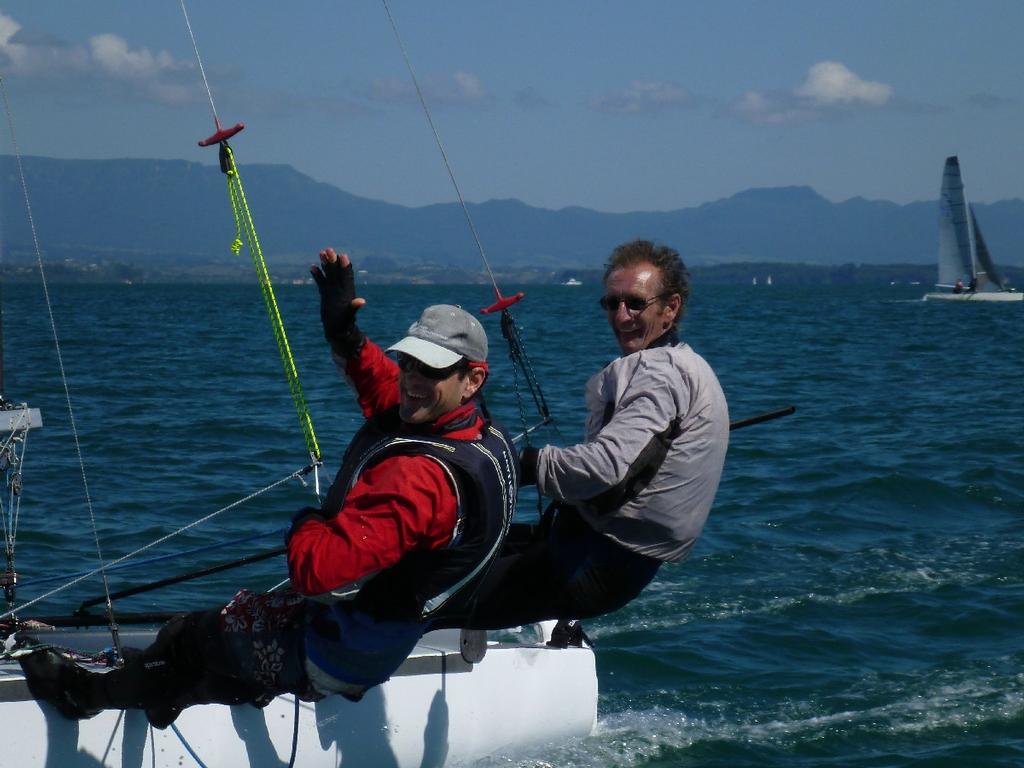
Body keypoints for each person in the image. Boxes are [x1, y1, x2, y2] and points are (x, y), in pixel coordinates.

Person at [19, 248, 518, 726]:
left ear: (472, 379)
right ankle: (173, 690)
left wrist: (307, 522)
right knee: (214, 651)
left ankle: (81, 697)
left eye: (429, 369)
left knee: (187, 636)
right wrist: (343, 331)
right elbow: (382, 388)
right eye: (408, 361)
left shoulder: (420, 479)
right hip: (376, 641)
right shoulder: (473, 430)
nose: (411, 378)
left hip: (339, 648)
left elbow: (317, 573)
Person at [455, 238, 729, 635]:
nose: (621, 316)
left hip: (596, 563)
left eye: (635, 303)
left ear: (671, 307)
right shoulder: (686, 365)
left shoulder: (662, 375)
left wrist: (520, 464)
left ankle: (347, 670)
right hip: (584, 544)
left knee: (429, 594)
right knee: (450, 548)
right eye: (611, 303)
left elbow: (605, 468)